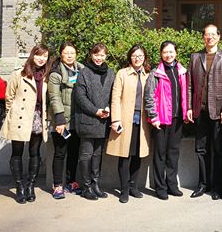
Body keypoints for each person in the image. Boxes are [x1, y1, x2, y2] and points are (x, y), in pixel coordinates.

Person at [187, 24, 222, 200]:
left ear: (219, 37)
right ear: (203, 37)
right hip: (200, 110)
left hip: (218, 111)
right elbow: (189, 85)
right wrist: (189, 107)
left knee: (218, 150)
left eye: (213, 34)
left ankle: (217, 187)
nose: (210, 37)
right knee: (201, 150)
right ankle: (203, 185)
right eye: (207, 34)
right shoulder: (195, 57)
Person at [0, 44, 52, 204]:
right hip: (20, 117)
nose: (41, 59)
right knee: (17, 152)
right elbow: (9, 97)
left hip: (38, 117)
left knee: (34, 153)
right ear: (32, 55)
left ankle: (30, 186)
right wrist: (13, 114)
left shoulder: (47, 76)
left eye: (45, 56)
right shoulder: (18, 74)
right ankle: (19, 187)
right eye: (38, 55)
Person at [106, 44, 152, 203]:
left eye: (140, 56)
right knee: (124, 155)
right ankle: (124, 189)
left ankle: (134, 187)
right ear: (130, 57)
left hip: (142, 121)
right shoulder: (122, 74)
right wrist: (115, 119)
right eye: (134, 56)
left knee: (138, 154)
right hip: (125, 120)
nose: (137, 58)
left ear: (144, 58)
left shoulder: (148, 75)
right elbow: (115, 98)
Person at [144, 40, 190, 200]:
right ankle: (160, 187)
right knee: (160, 154)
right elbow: (149, 97)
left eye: (171, 52)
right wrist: (153, 116)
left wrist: (186, 112)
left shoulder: (182, 71)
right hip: (161, 120)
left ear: (176, 53)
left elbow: (186, 93)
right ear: (161, 54)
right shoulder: (155, 73)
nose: (168, 55)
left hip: (177, 119)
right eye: (165, 52)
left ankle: (172, 185)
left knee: (173, 153)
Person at [73, 43, 115, 201]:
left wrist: (109, 108)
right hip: (88, 120)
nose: (99, 58)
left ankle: (95, 184)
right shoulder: (84, 72)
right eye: (96, 55)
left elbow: (114, 94)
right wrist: (95, 111)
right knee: (86, 154)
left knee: (98, 154)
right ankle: (86, 187)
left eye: (102, 55)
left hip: (103, 121)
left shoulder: (111, 73)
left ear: (106, 56)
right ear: (91, 55)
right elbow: (80, 97)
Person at [48, 41, 85, 200]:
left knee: (74, 152)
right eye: (66, 53)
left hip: (78, 119)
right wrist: (59, 119)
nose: (69, 56)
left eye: (72, 53)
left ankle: (71, 182)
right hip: (62, 120)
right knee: (60, 153)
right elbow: (54, 97)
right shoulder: (56, 73)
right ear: (61, 54)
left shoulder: (82, 70)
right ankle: (57, 185)